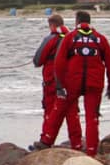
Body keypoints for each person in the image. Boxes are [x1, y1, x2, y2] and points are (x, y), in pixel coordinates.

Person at [31, 10, 110, 156]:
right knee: (92, 117)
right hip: (94, 83)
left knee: (60, 110)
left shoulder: (70, 38)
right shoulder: (100, 39)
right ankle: (91, 150)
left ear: (77, 21)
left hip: (73, 82)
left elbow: (59, 63)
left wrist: (60, 85)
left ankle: (47, 141)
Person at [32, 14, 82, 151]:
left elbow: (37, 60)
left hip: (53, 82)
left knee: (50, 111)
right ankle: (77, 143)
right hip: (71, 81)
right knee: (72, 112)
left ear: (52, 25)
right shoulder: (73, 37)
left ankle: (46, 140)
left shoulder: (51, 39)